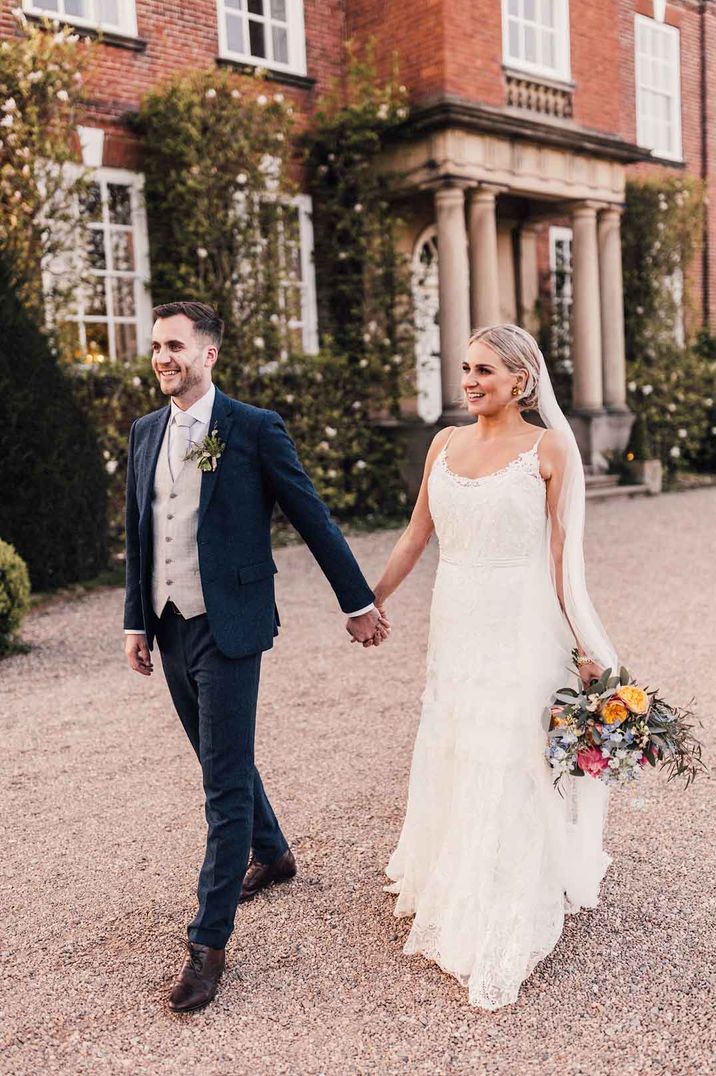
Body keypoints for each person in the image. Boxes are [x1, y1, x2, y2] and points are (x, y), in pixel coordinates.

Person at [124, 301, 389, 1013]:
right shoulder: (146, 432)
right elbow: (139, 534)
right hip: (169, 624)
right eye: (156, 346)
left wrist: (357, 603)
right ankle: (272, 853)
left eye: (176, 345)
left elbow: (311, 516)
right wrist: (134, 623)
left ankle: (208, 945)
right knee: (223, 762)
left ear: (209, 354)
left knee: (222, 787)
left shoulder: (254, 428)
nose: (162, 357)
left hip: (231, 626)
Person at [375, 324, 618, 1010]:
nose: (471, 381)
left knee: (509, 752)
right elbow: (416, 533)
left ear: (521, 380)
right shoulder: (443, 445)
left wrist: (585, 642)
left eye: (485, 370)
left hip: (519, 624)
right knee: (454, 739)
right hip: (455, 623)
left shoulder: (549, 450)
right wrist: (372, 600)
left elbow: (561, 556)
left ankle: (501, 889)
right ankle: (450, 868)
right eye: (466, 369)